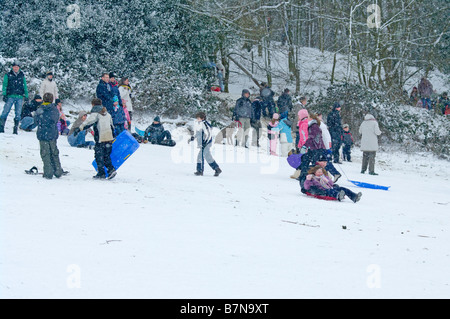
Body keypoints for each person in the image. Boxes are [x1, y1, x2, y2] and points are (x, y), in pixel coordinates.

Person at [74, 98, 117, 180]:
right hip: (108, 137)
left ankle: (101, 173)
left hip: (100, 137)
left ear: (93, 105)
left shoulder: (96, 114)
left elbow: (88, 123)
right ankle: (111, 170)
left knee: (99, 155)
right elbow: (112, 126)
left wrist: (79, 129)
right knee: (106, 155)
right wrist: (113, 136)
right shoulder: (107, 114)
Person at [34, 93, 64, 179]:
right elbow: (56, 119)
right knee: (54, 152)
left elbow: (36, 121)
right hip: (52, 133)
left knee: (45, 153)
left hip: (43, 134)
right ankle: (58, 171)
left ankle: (48, 172)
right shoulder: (55, 109)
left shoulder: (40, 109)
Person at [189, 111, 222, 177]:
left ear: (203, 118)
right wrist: (193, 137)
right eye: (197, 118)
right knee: (208, 157)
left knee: (200, 157)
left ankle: (200, 171)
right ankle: (217, 169)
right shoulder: (199, 124)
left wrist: (205, 142)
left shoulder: (204, 124)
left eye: (198, 118)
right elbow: (198, 132)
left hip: (206, 143)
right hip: (203, 143)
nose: (197, 119)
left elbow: (208, 134)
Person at [297, 113, 326, 187]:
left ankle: (312, 177)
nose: (307, 118)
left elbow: (311, 137)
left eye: (309, 117)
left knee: (312, 163)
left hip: (315, 148)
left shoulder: (314, 126)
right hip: (313, 148)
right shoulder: (312, 125)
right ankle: (303, 176)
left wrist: (305, 146)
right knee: (306, 162)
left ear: (312, 118)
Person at [1, 61, 29, 134]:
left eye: (17, 67)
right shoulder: (8, 75)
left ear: (19, 68)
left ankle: (15, 128)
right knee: (5, 111)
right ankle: (1, 126)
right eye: (14, 67)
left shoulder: (21, 75)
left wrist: (26, 95)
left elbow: (25, 86)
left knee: (18, 113)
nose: (16, 68)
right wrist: (4, 94)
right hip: (10, 95)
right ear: (12, 67)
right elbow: (5, 85)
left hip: (19, 96)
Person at [317, 112, 341, 182]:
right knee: (324, 162)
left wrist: (327, 147)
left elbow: (325, 137)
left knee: (324, 162)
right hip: (326, 145)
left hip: (324, 146)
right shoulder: (322, 125)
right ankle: (327, 175)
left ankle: (334, 173)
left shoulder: (320, 125)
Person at [290, 108, 309, 179]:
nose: (298, 117)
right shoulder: (301, 123)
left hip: (306, 146)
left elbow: (305, 136)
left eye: (298, 115)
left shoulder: (304, 124)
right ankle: (299, 174)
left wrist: (304, 146)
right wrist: (299, 145)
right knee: (302, 160)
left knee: (304, 161)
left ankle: (302, 175)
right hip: (303, 145)